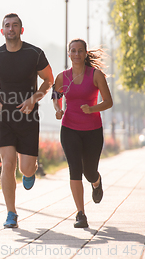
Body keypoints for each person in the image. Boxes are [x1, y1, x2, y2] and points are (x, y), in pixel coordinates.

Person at [0, 13, 54, 228]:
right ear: (2, 31)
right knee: (8, 163)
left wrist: (34, 98)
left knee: (26, 169)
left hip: (28, 116)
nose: (11, 29)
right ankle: (11, 213)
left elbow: (49, 80)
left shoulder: (35, 54)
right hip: (4, 116)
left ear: (21, 29)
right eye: (7, 26)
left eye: (15, 25)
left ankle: (30, 172)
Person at [52, 38, 113, 228]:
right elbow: (55, 96)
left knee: (89, 171)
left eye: (80, 51)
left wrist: (93, 109)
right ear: (68, 54)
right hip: (69, 128)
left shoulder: (96, 75)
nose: (76, 54)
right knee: (75, 169)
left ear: (85, 54)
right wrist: (58, 109)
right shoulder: (63, 77)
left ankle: (96, 181)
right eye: (73, 51)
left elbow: (108, 102)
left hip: (93, 130)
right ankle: (80, 214)